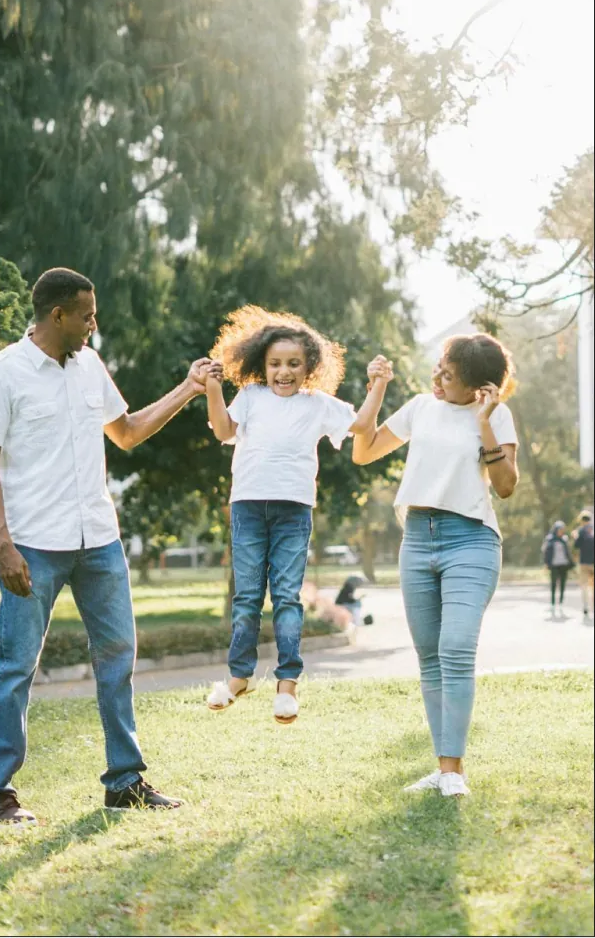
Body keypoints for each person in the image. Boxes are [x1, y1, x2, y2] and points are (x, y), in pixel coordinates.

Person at [0, 267, 213, 825]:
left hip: (99, 540)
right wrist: (3, 545)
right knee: (16, 666)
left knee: (117, 658)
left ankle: (124, 781)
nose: (94, 324)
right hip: (33, 544)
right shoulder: (4, 372)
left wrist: (187, 388)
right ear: (57, 314)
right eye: (87, 314)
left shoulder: (90, 366)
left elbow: (125, 431)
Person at [352, 334, 519, 798]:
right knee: (430, 659)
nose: (438, 379)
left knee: (456, 647)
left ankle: (453, 772)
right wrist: (378, 388)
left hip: (471, 539)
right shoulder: (422, 407)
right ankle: (445, 769)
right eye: (440, 369)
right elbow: (363, 452)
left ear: (481, 388)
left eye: (450, 376)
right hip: (418, 539)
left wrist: (484, 422)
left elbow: (506, 486)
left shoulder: (497, 414)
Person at [202, 305, 375, 724]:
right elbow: (224, 431)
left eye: (294, 363)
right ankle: (239, 677)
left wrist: (379, 384)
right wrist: (212, 387)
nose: (284, 371)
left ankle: (287, 686)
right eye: (275, 363)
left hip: (294, 511)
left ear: (309, 366)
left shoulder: (317, 404)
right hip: (247, 507)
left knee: (285, 596)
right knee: (246, 596)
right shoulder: (251, 397)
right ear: (262, 364)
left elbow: (364, 425)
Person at [541, 521, 575, 615]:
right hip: (554, 565)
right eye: (560, 530)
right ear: (556, 530)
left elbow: (568, 552)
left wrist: (571, 563)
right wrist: (546, 563)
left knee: (563, 584)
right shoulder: (550, 539)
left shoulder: (564, 539)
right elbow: (545, 552)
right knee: (553, 584)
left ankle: (561, 603)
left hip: (563, 565)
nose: (561, 531)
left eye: (562, 530)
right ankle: (552, 603)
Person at [572, 511, 594, 618]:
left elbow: (577, 545)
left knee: (584, 585)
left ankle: (586, 607)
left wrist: (575, 536)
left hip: (584, 562)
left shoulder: (580, 531)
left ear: (582, 521)